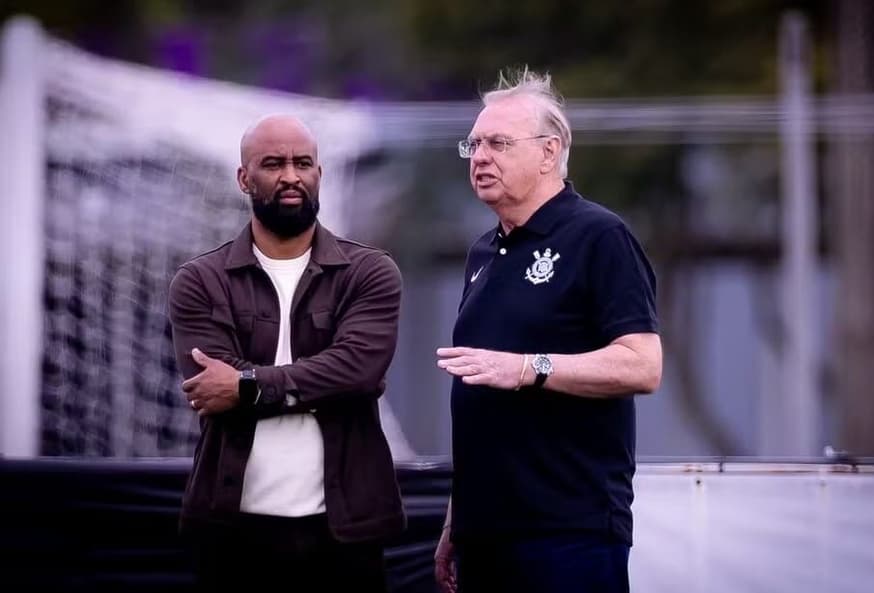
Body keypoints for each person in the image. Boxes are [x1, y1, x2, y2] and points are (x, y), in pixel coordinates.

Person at [434, 68, 663, 593]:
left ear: (548, 152)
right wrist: (454, 519)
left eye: (498, 143)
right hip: (484, 534)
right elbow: (479, 404)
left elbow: (643, 365)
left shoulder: (600, 236)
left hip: (568, 531)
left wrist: (527, 368)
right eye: (473, 144)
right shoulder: (483, 252)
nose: (480, 157)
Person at [167, 114, 405, 592]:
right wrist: (321, 383)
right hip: (232, 531)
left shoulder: (369, 272)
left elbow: (357, 371)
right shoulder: (199, 281)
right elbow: (211, 386)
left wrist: (247, 386)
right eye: (273, 164)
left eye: (303, 163)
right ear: (244, 178)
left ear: (320, 173)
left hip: (345, 532)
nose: (291, 176)